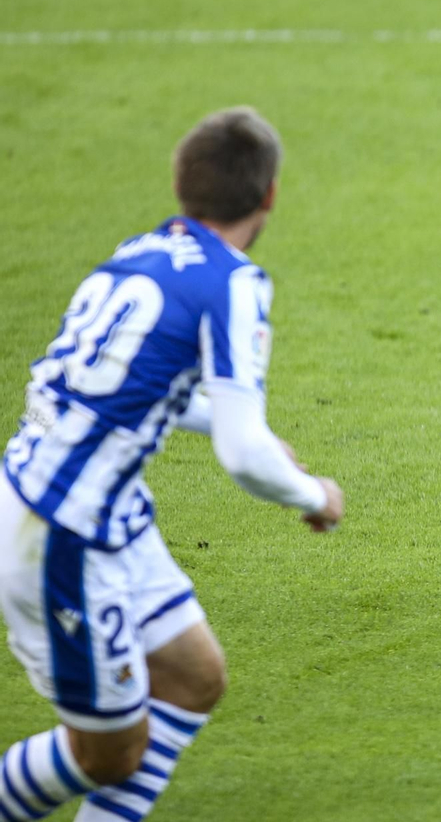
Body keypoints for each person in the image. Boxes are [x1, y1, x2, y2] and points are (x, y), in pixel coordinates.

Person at [0, 108, 343, 820]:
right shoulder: (233, 282)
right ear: (269, 195)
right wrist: (314, 493)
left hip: (84, 504)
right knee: (107, 754)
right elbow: (244, 455)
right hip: (61, 532)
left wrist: (241, 422)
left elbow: (125, 390)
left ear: (183, 186)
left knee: (194, 677)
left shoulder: (140, 251)